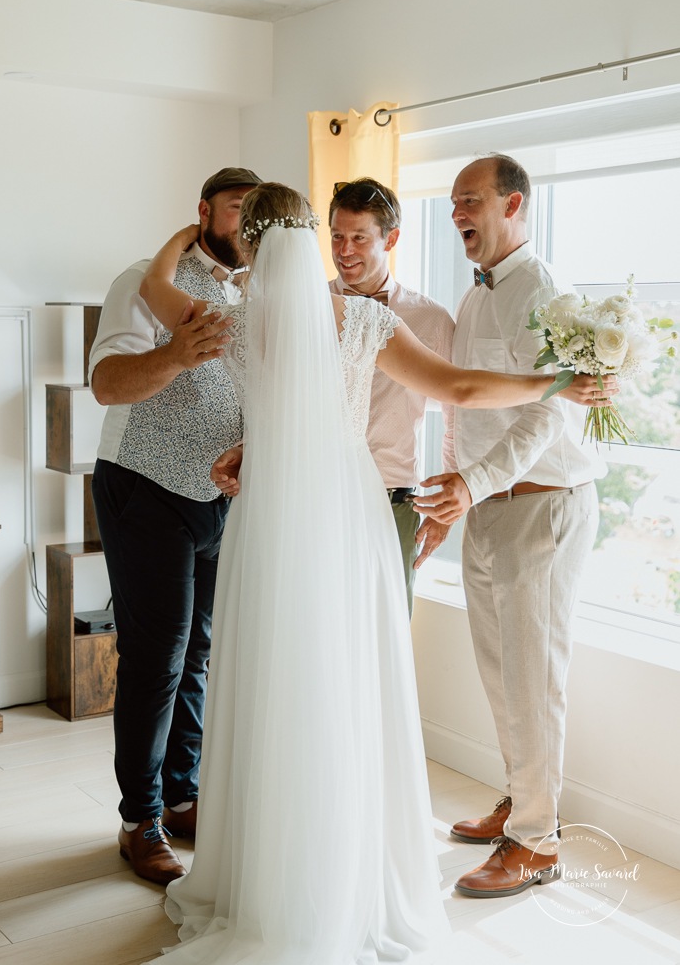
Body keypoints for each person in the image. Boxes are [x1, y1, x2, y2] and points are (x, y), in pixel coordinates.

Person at [137, 182, 612, 964]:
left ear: (251, 245)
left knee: (271, 679)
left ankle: (264, 875)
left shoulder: (227, 316)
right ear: (312, 239)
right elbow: (457, 390)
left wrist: (185, 235)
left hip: (269, 517)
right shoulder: (361, 320)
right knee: (343, 680)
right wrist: (555, 384)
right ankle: (342, 872)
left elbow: (160, 286)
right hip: (347, 513)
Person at [413, 154, 610, 898]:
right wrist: (453, 494)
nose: (458, 212)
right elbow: (465, 407)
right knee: (500, 675)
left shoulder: (542, 290)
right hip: (485, 508)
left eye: (471, 200)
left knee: (534, 680)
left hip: (542, 507)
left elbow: (547, 410)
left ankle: (536, 842)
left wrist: (472, 483)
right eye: (453, 202)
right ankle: (519, 802)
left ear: (513, 204)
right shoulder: (472, 298)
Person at [88, 166, 263, 885]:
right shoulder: (143, 279)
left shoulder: (256, 294)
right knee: (156, 660)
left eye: (256, 217)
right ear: (203, 213)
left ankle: (183, 795)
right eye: (233, 211)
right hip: (145, 488)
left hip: (222, 498)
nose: (245, 226)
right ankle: (141, 819)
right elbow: (106, 384)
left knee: (200, 654)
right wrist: (171, 355)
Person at [328, 178, 455, 615]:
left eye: (359, 238)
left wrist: (445, 509)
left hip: (393, 501)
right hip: (317, 495)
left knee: (390, 633)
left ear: (392, 238)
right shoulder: (310, 306)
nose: (345, 250)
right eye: (337, 237)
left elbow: (456, 412)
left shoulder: (432, 319)